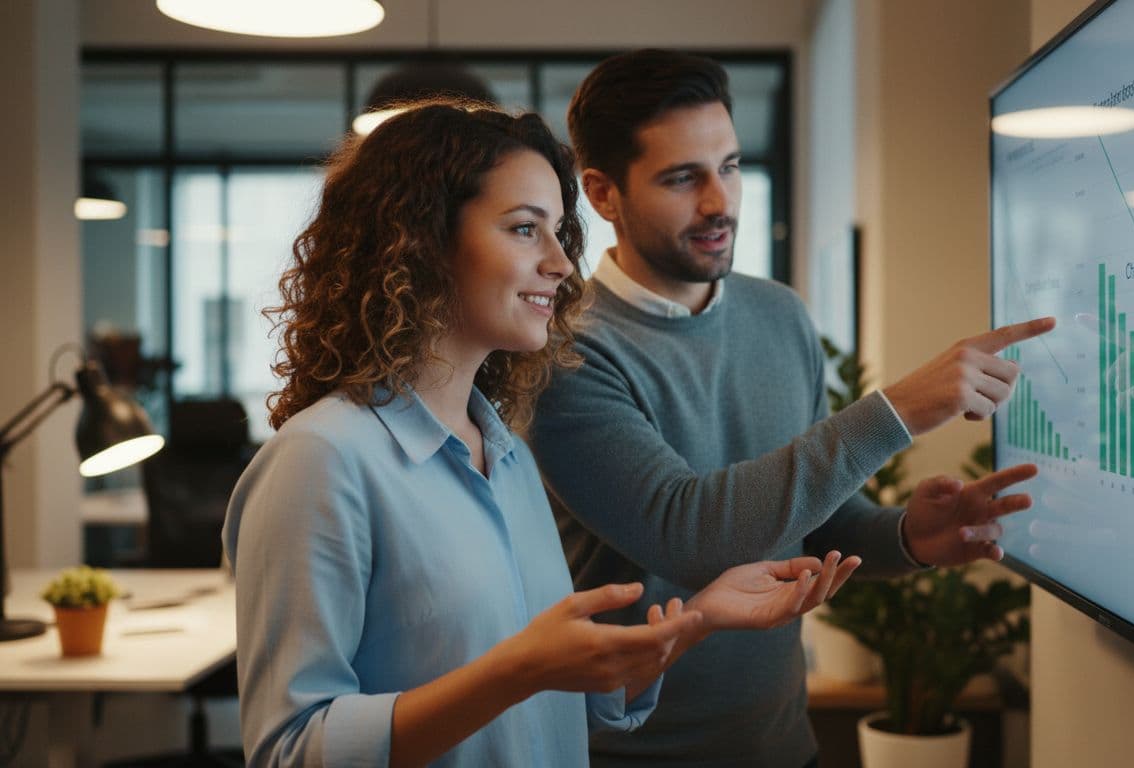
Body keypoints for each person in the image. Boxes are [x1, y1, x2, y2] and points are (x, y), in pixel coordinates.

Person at [222, 100, 861, 768]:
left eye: (558, 232)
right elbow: (290, 750)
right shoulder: (320, 461)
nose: (561, 263)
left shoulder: (507, 455)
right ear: (419, 242)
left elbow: (554, 705)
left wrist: (699, 618)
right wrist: (519, 670)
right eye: (526, 229)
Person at [527, 49, 1057, 767]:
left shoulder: (779, 315)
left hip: (783, 746)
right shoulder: (566, 355)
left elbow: (810, 522)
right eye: (682, 178)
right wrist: (896, 410)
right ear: (602, 193)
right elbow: (693, 536)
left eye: (730, 167)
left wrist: (908, 537)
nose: (719, 202)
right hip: (631, 758)